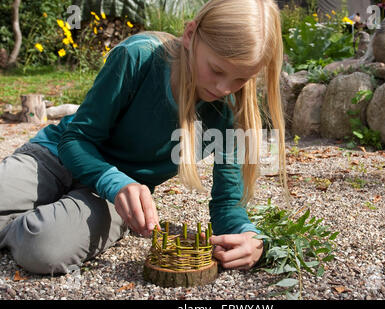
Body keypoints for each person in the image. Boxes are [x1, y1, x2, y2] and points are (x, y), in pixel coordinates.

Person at [0, 0, 289, 275]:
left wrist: (252, 238)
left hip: (116, 199)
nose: (225, 87)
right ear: (190, 34)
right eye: (216, 69)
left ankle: (21, 221)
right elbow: (76, 139)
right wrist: (113, 180)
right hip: (55, 157)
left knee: (42, 248)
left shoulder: (232, 111)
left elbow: (228, 204)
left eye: (240, 79)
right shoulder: (137, 56)